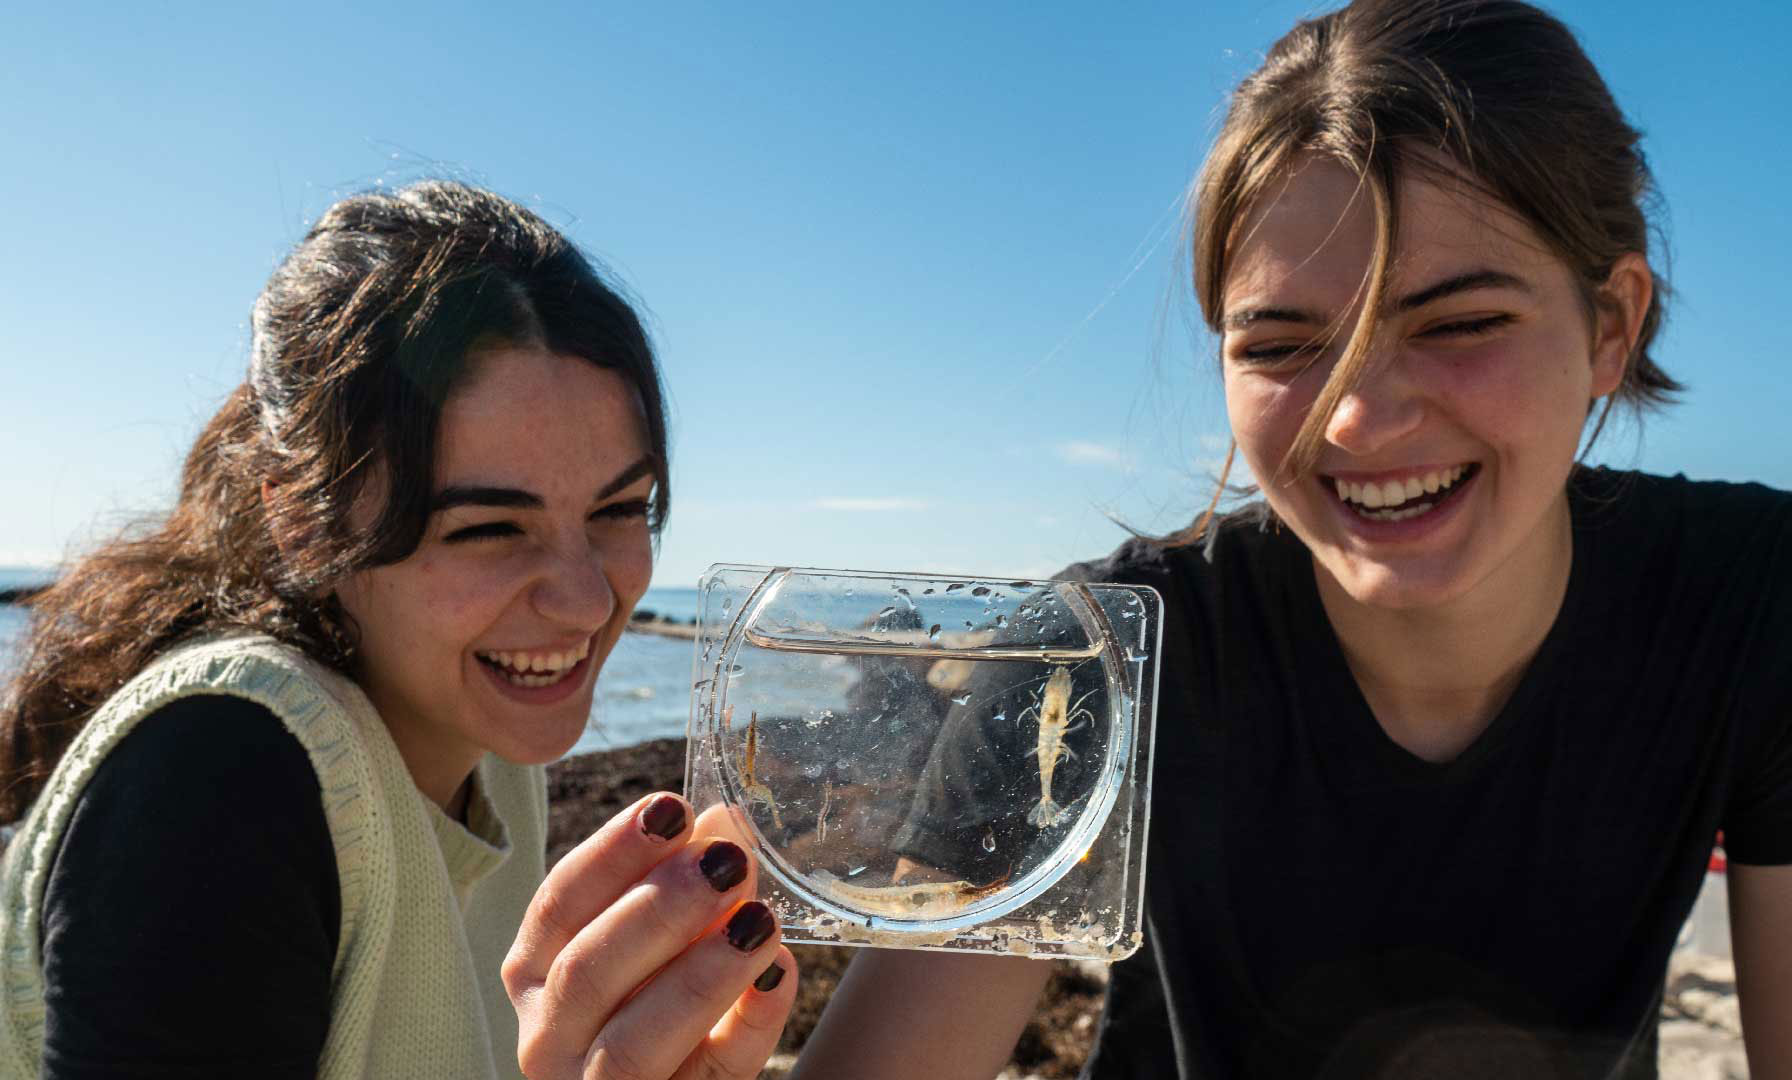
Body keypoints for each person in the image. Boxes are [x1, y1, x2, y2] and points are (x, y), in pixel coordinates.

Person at [519, 1, 1792, 1077]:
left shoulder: (1752, 603)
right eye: (1285, 346)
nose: (1359, 414)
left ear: (1614, 326)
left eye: (1458, 322)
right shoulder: (1097, 664)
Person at [0, 180, 796, 1078]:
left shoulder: (495, 754)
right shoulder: (221, 775)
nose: (583, 601)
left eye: (620, 509)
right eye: (489, 527)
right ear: (305, 524)